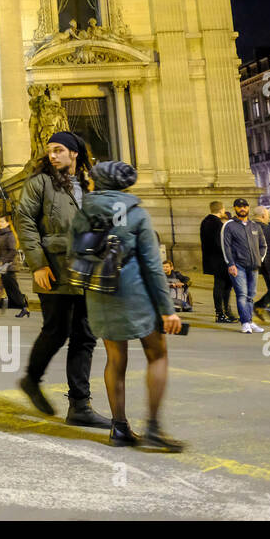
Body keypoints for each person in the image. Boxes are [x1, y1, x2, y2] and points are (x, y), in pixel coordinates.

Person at [73, 161, 185, 451]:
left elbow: (76, 250)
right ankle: (154, 428)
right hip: (135, 293)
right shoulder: (136, 213)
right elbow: (153, 265)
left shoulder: (85, 210)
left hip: (100, 292)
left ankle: (120, 428)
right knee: (157, 354)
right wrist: (168, 309)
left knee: (115, 359)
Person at [16, 130, 111, 428]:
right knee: (56, 330)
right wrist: (38, 265)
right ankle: (32, 380)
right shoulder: (40, 182)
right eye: (50, 150)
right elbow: (25, 221)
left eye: (58, 149)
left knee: (85, 336)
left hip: (89, 269)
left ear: (74, 153)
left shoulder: (90, 183)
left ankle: (80, 406)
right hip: (54, 267)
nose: (52, 155)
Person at [221, 198, 266, 333]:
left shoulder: (255, 226)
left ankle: (250, 321)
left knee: (251, 295)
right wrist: (230, 264)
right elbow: (226, 246)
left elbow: (263, 245)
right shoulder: (229, 225)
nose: (242, 208)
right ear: (235, 208)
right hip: (237, 265)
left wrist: (259, 259)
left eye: (245, 206)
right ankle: (245, 322)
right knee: (242, 294)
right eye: (239, 206)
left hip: (253, 265)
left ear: (248, 208)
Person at [200, 201, 233, 323]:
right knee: (222, 286)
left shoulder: (205, 221)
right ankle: (221, 313)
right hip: (220, 259)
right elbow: (221, 243)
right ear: (221, 210)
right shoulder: (218, 224)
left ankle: (224, 312)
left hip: (210, 258)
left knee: (221, 285)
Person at [0, 213, 29, 317]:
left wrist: (3, 261)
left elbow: (13, 251)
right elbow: (1, 251)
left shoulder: (10, 235)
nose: (0, 223)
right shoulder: (2, 234)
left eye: (2, 221)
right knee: (0, 288)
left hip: (9, 267)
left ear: (8, 223)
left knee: (14, 290)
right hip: (4, 267)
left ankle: (24, 307)